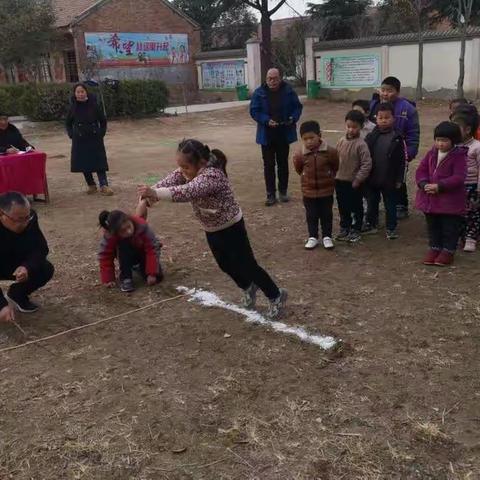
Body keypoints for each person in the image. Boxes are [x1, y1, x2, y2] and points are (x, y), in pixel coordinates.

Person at [137, 139, 287, 319]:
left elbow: (187, 192)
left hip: (231, 227)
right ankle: (248, 287)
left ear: (201, 162)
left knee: (248, 265)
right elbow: (171, 180)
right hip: (211, 228)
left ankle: (275, 295)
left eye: (186, 167)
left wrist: (154, 194)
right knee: (224, 264)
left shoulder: (212, 176)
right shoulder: (188, 170)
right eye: (181, 167)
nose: (182, 171)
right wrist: (148, 196)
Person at [415, 122, 467, 266]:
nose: (440, 143)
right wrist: (423, 184)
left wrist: (441, 186)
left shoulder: (459, 156)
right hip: (430, 199)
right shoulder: (432, 153)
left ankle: (448, 251)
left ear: (454, 140)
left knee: (449, 227)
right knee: (433, 225)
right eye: (438, 140)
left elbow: (459, 177)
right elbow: (421, 170)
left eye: (444, 140)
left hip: (450, 201)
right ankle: (434, 248)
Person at [250, 68, 303, 206]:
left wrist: (293, 118)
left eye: (275, 78)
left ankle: (283, 191)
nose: (272, 81)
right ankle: (270, 194)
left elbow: (297, 107)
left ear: (280, 78)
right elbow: (254, 111)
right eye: (269, 78)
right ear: (266, 79)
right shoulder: (259, 93)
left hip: (283, 132)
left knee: (283, 164)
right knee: (268, 165)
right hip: (266, 135)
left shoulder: (288, 91)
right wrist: (266, 120)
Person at [370, 76, 420, 219]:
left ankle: (401, 205)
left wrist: (409, 153)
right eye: (383, 90)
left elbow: (413, 133)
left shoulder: (408, 109)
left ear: (397, 92)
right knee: (379, 175)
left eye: (389, 91)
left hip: (398, 151)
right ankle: (376, 205)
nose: (385, 93)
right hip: (378, 149)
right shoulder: (374, 105)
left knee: (398, 178)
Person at [0, 192, 54, 322]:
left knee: (45, 268)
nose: (24, 223)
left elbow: (41, 248)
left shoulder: (30, 219)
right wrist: (1, 306)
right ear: (2, 214)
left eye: (26, 217)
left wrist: (27, 267)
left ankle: (17, 295)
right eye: (18, 219)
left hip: (14, 263)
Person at [364, 103, 407, 240]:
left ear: (393, 118)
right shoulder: (371, 136)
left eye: (387, 117)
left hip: (390, 179)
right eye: (380, 117)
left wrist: (400, 179)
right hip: (372, 178)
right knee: (372, 202)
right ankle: (371, 224)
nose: (383, 120)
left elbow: (402, 161)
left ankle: (391, 228)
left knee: (390, 205)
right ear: (376, 119)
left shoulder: (398, 138)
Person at [293, 120, 339, 250]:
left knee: (326, 214)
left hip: (326, 191)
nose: (309, 141)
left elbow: (335, 165)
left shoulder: (330, 152)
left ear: (319, 135)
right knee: (311, 214)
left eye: (311, 138)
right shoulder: (299, 154)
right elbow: (299, 169)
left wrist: (330, 176)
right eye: (305, 139)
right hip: (309, 191)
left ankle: (327, 236)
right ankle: (312, 236)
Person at [98, 209, 163, 293]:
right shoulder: (110, 236)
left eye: (129, 226)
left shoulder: (141, 226)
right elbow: (105, 256)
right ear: (116, 233)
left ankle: (141, 268)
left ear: (130, 220)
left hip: (143, 253)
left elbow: (152, 248)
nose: (128, 231)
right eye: (123, 231)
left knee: (158, 278)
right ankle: (126, 277)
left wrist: (152, 273)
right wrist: (108, 279)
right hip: (125, 256)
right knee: (123, 245)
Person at [66, 83, 113, 196]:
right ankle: (91, 185)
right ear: (75, 94)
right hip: (80, 139)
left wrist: (101, 133)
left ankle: (104, 185)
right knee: (84, 162)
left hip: (94, 137)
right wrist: (72, 134)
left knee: (99, 161)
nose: (80, 94)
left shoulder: (94, 105)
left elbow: (103, 121)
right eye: (78, 92)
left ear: (86, 92)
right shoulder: (73, 107)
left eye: (82, 91)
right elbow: (68, 123)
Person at [335, 110, 372, 243]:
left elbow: (366, 164)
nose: (351, 130)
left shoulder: (361, 145)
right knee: (342, 206)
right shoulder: (341, 141)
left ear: (361, 127)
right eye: (348, 126)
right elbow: (335, 159)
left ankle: (356, 229)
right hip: (339, 180)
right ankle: (344, 227)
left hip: (354, 182)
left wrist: (358, 179)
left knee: (356, 206)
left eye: (354, 127)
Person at [451, 107, 480, 252]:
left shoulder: (476, 147)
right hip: (456, 186)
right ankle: (458, 235)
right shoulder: (453, 146)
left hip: (472, 186)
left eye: (456, 129)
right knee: (456, 211)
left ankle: (470, 237)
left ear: (468, 129)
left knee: (472, 213)